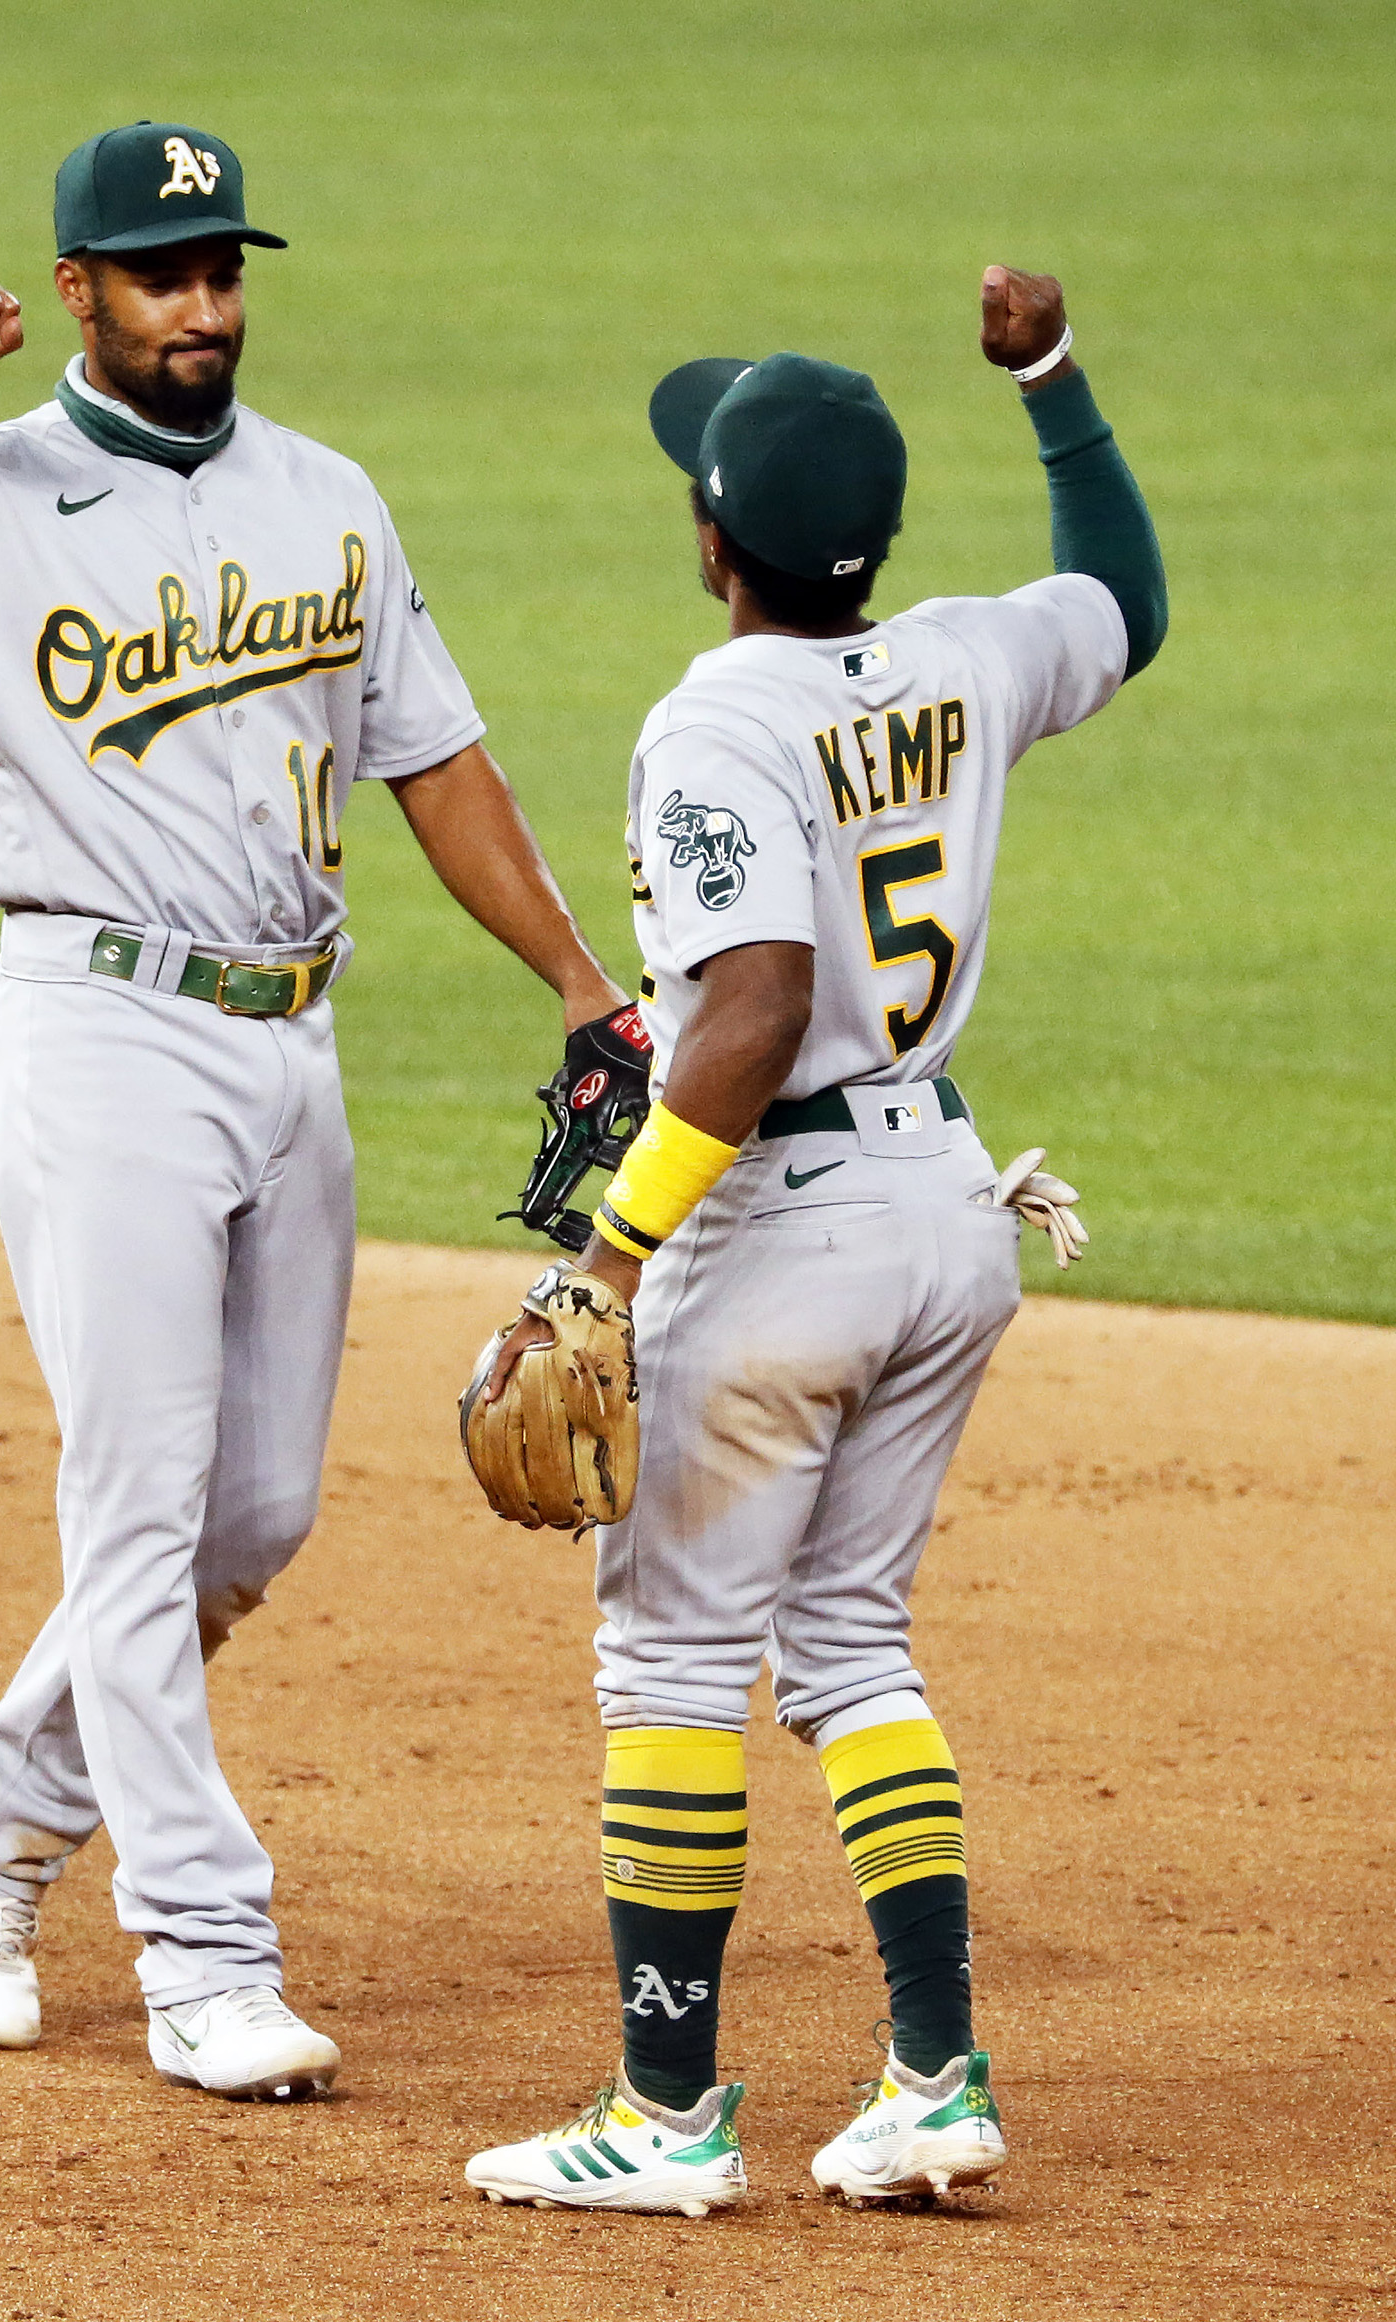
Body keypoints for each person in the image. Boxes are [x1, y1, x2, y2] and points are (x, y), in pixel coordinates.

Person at [0, 122, 632, 2100]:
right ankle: (203, 1949)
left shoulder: (329, 500)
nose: (206, 306)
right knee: (131, 1508)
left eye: (225, 270)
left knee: (252, 1516)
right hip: (96, 1032)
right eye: (163, 273)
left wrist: (581, 977)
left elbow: (439, 767)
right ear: (83, 288)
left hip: (294, 1048)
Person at [460, 265, 1166, 2209]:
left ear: (716, 543)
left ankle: (667, 2115)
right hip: (949, 1208)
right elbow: (1130, 594)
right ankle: (935, 2075)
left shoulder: (714, 723)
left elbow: (751, 1007)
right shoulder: (969, 654)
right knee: (850, 1637)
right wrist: (1050, 377)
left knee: (672, 1659)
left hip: (785, 1226)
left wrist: (612, 1254)